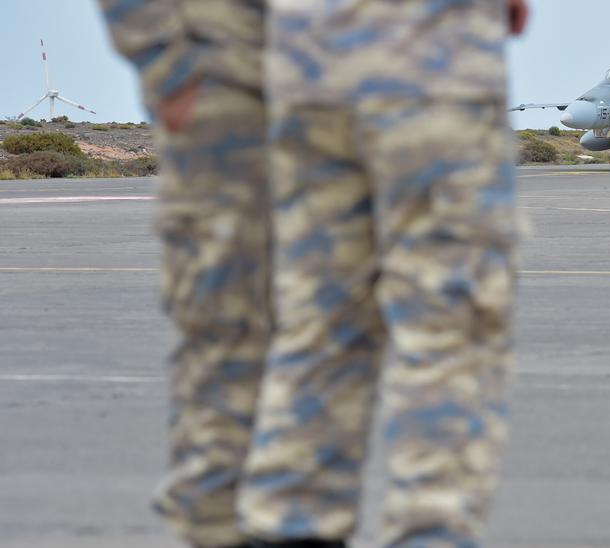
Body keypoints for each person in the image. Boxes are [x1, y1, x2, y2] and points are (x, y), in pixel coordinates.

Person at [233, 0, 528, 547]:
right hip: (432, 49)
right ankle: (429, 534)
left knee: (319, 317)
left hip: (303, 58)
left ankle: (289, 527)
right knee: (448, 320)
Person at [98, 1, 273, 546]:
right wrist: (171, 71)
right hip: (230, 93)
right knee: (228, 329)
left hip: (346, 85)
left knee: (333, 337)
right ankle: (214, 526)